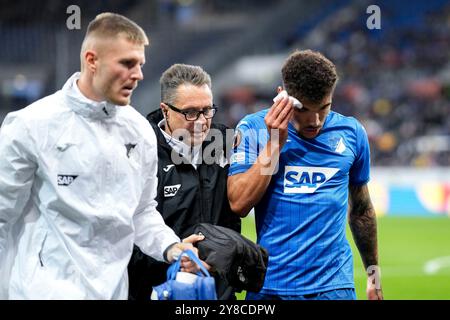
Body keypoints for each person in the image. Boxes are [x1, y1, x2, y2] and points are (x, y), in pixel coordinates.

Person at [0, 13, 202, 300]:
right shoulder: (30, 125)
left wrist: (171, 246)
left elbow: (141, 212)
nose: (138, 74)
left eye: (140, 64)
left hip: (113, 292)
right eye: (127, 63)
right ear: (92, 60)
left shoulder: (139, 132)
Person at [227, 49, 383, 300]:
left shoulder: (352, 133)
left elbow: (362, 211)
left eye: (324, 108)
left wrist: (373, 276)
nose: (315, 120)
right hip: (270, 286)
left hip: (333, 287)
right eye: (304, 110)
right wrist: (274, 144)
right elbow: (239, 203)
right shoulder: (253, 128)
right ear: (283, 97)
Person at [128, 63, 241, 300]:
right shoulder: (140, 153)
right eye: (190, 113)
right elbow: (128, 233)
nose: (201, 121)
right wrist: (175, 255)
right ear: (165, 110)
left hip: (218, 293)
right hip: (157, 290)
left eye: (207, 110)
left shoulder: (226, 143)